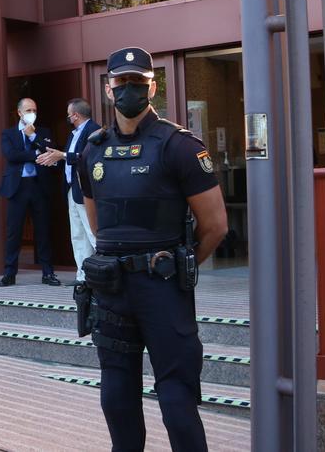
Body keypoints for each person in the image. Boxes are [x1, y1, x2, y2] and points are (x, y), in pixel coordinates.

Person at [77, 47, 227, 451]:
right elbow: (98, 225)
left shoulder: (179, 146)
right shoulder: (92, 150)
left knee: (176, 399)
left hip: (163, 288)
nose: (129, 89)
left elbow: (215, 226)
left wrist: (180, 264)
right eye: (121, 82)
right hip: (111, 290)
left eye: (137, 82)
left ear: (153, 87)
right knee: (116, 394)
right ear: (108, 89)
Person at [0, 98, 60, 286]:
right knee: (13, 232)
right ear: (19, 113)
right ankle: (10, 273)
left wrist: (34, 138)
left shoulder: (43, 132)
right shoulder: (8, 134)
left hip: (39, 186)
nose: (31, 113)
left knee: (43, 231)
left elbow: (49, 151)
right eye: (28, 110)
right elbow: (11, 155)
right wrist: (35, 155)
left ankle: (48, 273)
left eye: (34, 109)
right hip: (17, 188)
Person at [36, 99, 99, 284]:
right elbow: (69, 158)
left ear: (76, 115)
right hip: (72, 189)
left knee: (92, 232)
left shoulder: (93, 131)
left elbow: (89, 157)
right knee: (78, 234)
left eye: (69, 114)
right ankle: (83, 276)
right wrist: (55, 158)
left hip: (86, 191)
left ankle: (102, 273)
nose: (68, 118)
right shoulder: (73, 134)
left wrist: (62, 155)